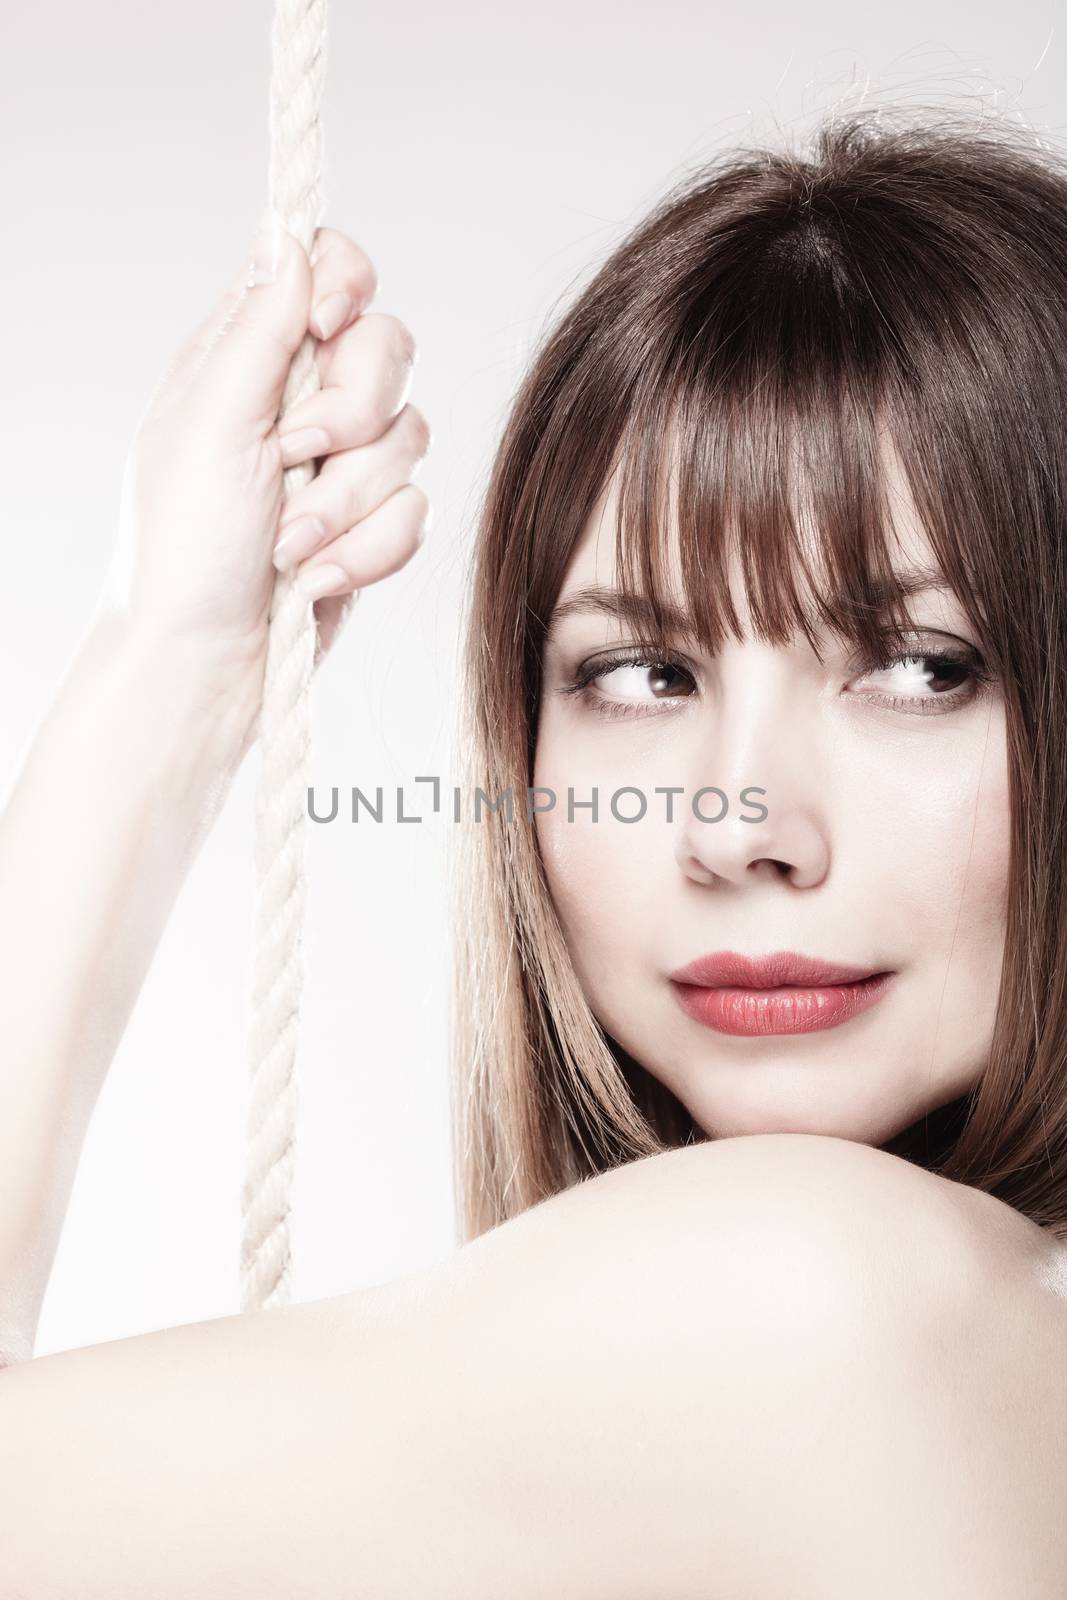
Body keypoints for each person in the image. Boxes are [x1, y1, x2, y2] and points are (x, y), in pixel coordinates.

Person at [1, 102, 1065, 1598]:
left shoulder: (821, 1291)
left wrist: (156, 681)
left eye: (920, 665)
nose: (738, 828)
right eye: (642, 675)